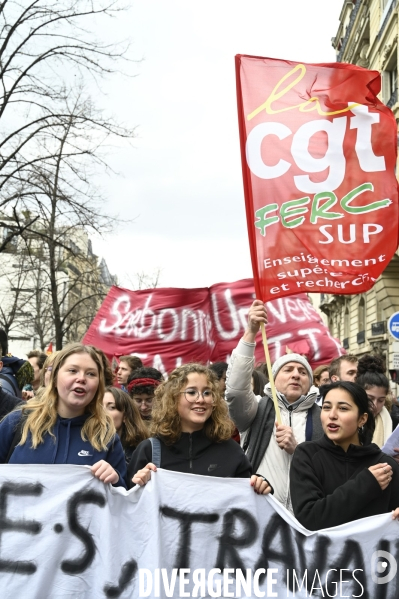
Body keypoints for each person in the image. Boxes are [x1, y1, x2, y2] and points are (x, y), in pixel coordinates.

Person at [225, 299, 322, 512]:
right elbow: (235, 390)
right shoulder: (256, 409)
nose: (296, 374)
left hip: (306, 518)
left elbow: (329, 469)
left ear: (310, 383)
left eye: (302, 371)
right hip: (260, 514)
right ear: (274, 378)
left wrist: (298, 451)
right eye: (288, 370)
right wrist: (250, 332)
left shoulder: (324, 417)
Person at [128, 363, 272, 496]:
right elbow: (129, 509)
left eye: (207, 393)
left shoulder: (231, 452)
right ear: (172, 399)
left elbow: (248, 507)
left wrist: (260, 486)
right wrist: (137, 485)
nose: (201, 399)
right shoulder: (150, 451)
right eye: (191, 392)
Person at [0, 343, 127, 488]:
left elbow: (122, 500)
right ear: (54, 379)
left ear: (99, 384)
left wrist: (115, 480)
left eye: (91, 373)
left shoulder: (106, 436)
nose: (81, 378)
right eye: (73, 371)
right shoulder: (16, 422)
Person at [290, 381, 399, 530]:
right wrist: (366, 484)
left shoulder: (385, 467)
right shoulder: (307, 455)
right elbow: (309, 519)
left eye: (343, 408)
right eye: (326, 407)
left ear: (362, 419)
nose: (332, 415)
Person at [103, 386, 148, 464]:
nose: (102, 412)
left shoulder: (141, 453)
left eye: (111, 407)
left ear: (125, 416)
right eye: (98, 407)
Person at [356, 354, 392, 447]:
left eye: (381, 400)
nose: (375, 405)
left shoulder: (394, 420)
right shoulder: (346, 419)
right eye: (370, 399)